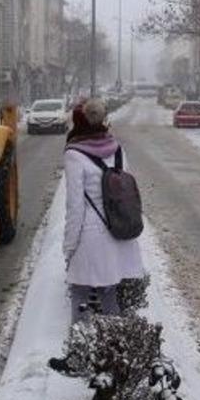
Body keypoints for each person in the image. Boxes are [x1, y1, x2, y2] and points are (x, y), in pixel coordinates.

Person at [54, 99, 145, 343]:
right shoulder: (117, 148)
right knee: (108, 293)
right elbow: (125, 191)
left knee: (80, 293)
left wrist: (68, 247)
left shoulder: (74, 155)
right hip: (118, 232)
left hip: (90, 236)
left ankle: (79, 349)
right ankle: (116, 349)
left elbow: (75, 207)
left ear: (79, 121)